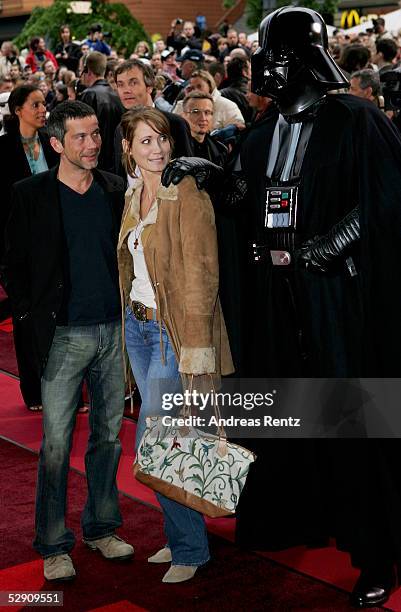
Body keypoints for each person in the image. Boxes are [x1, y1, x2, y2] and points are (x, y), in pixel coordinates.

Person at [162, 6, 401, 609]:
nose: (268, 68)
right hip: (278, 296)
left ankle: (377, 552)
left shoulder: (356, 121)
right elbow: (250, 199)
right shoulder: (262, 132)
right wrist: (211, 175)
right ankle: (301, 516)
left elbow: (387, 200)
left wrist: (335, 242)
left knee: (353, 419)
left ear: (295, 59)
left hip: (338, 301)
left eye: (276, 56)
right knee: (289, 410)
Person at [3, 100, 133, 581]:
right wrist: (29, 314)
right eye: (80, 137)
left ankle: (102, 528)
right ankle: (54, 543)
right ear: (56, 143)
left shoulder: (116, 189)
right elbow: (13, 263)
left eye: (96, 133)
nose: (93, 143)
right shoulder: (30, 194)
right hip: (61, 336)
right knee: (56, 443)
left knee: (108, 438)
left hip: (113, 331)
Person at [117, 106, 233, 583]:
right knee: (170, 440)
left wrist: (197, 350)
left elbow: (202, 273)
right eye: (145, 141)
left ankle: (191, 547)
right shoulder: (132, 192)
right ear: (127, 149)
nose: (158, 149)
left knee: (157, 439)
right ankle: (178, 534)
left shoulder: (184, 190)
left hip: (173, 333)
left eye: (162, 139)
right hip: (138, 328)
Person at [0, 84, 59, 411]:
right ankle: (34, 391)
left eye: (43, 104)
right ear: (17, 109)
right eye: (35, 104)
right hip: (19, 248)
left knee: (61, 320)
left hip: (55, 243)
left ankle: (67, 391)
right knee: (26, 322)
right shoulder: (4, 149)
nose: (42, 109)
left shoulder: (52, 144)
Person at [113, 59, 194, 180]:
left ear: (149, 87)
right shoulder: (120, 129)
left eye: (133, 83)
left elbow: (187, 174)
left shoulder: (175, 124)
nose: (126, 90)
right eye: (120, 84)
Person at [80, 51, 124, 171]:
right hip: (116, 160)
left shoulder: (89, 94)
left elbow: (81, 130)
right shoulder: (116, 95)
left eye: (81, 71)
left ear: (88, 71)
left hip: (96, 160)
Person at [173, 69, 245, 129]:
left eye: (199, 86)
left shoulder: (227, 105)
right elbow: (173, 126)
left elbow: (238, 129)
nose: (195, 91)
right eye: (192, 88)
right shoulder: (182, 104)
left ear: (210, 86)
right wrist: (186, 101)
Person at [182, 91, 227, 166]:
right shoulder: (172, 148)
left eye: (207, 112)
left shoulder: (221, 150)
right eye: (196, 112)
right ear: (184, 115)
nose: (203, 118)